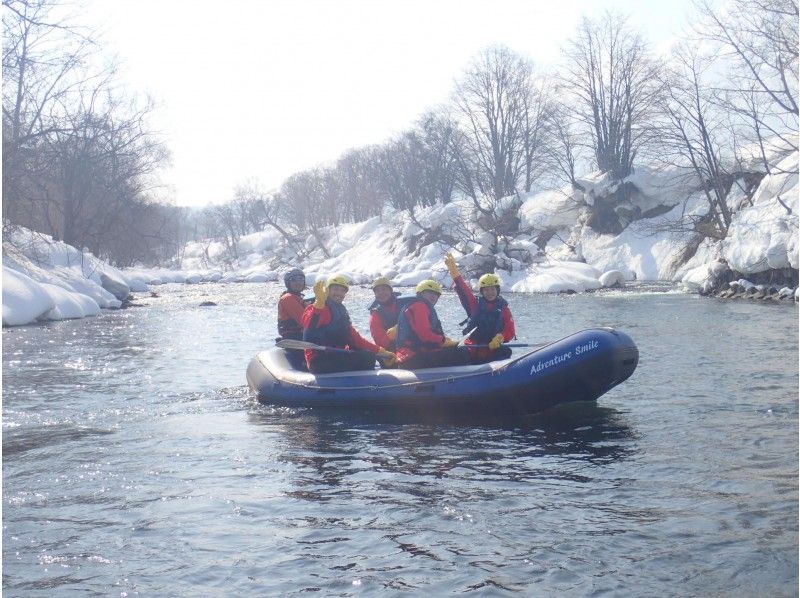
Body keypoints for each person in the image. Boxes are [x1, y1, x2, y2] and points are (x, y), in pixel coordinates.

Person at [302, 273, 397, 374]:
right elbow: (309, 324)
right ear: (328, 291)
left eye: (342, 291)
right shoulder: (318, 308)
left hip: (335, 355)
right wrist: (318, 306)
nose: (339, 293)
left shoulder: (340, 310)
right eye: (335, 289)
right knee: (367, 359)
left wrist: (381, 352)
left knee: (368, 354)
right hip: (318, 360)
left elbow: (356, 339)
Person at [445, 253, 515, 363]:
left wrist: (501, 337)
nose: (490, 292)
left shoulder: (504, 308)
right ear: (482, 292)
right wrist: (455, 274)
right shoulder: (475, 304)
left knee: (506, 351)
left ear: (497, 290)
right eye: (486, 290)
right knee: (459, 354)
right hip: (473, 347)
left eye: (492, 289)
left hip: (492, 348)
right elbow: (465, 290)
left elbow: (510, 330)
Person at [395, 279, 470, 369]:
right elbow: (425, 335)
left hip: (411, 356)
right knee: (462, 352)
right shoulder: (419, 306)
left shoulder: (417, 305)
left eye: (436, 294)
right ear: (420, 293)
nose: (433, 296)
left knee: (452, 350)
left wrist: (444, 340)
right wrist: (442, 340)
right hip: (413, 357)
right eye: (429, 292)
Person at [368, 276, 401, 351]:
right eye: (377, 291)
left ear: (390, 291)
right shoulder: (375, 314)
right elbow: (380, 342)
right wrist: (391, 335)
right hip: (392, 349)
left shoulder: (403, 303)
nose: (381, 293)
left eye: (384, 289)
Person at [277, 268, 310, 341]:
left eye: (301, 279)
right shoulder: (287, 298)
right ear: (288, 283)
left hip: (303, 334)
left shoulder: (302, 298)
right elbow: (305, 321)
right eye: (293, 280)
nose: (298, 282)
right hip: (294, 335)